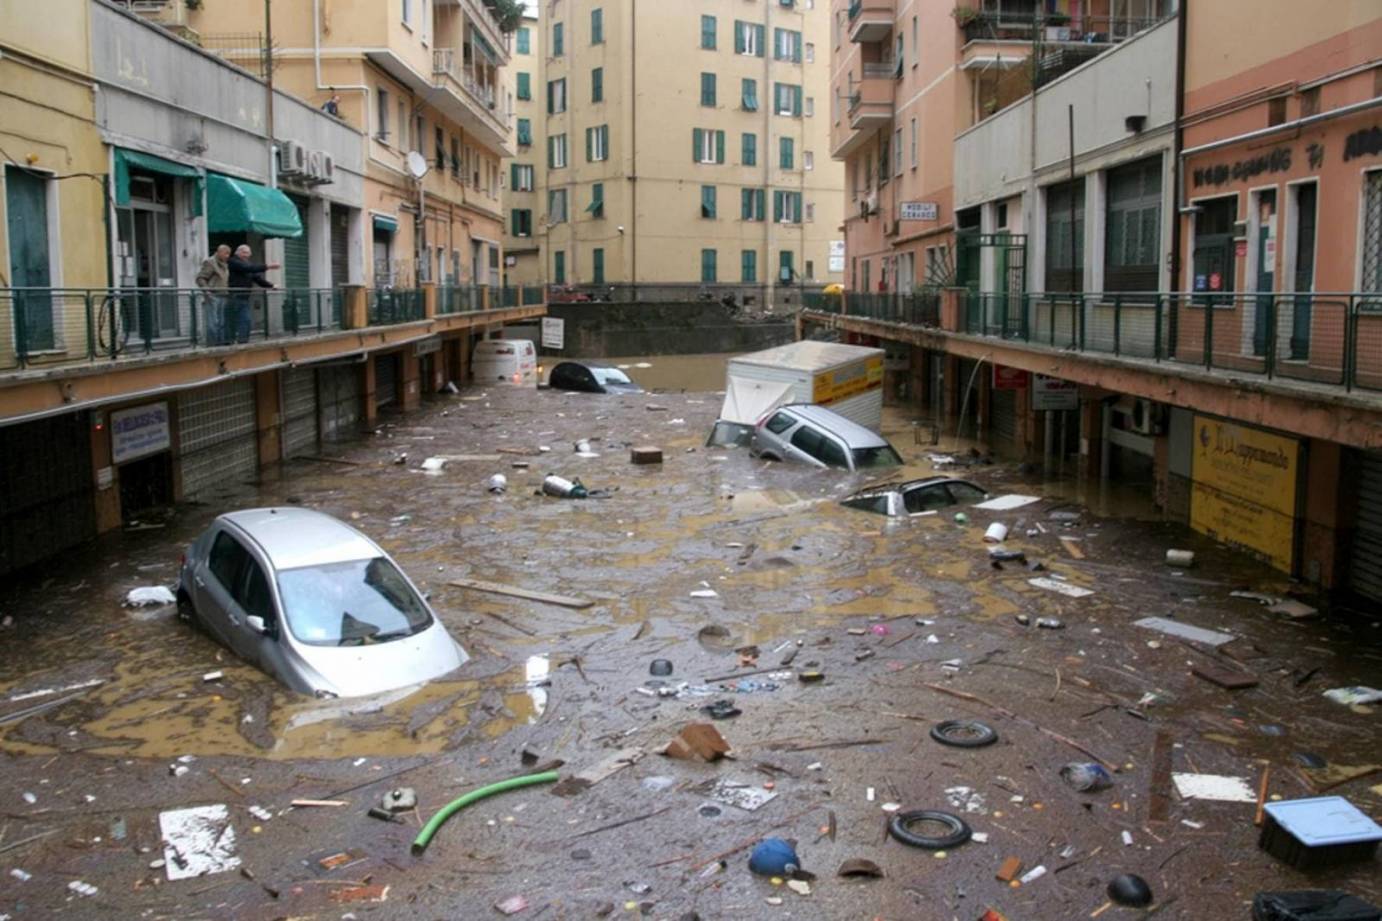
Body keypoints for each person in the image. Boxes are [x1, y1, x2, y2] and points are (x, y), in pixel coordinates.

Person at [227, 245, 278, 344]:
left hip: (244, 298)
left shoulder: (248, 265)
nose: (246, 255)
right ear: (238, 253)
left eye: (248, 253)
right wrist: (268, 266)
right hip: (234, 296)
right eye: (244, 252)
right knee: (232, 320)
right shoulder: (233, 261)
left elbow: (257, 278)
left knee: (246, 320)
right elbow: (246, 268)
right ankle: (228, 342)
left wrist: (271, 286)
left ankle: (243, 342)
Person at [195, 244, 231, 344]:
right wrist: (207, 291)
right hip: (213, 295)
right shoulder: (210, 262)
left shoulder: (225, 265)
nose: (227, 256)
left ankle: (221, 342)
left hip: (223, 295)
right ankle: (213, 343)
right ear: (219, 252)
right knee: (213, 321)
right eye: (225, 253)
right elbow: (200, 278)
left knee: (221, 322)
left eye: (229, 254)